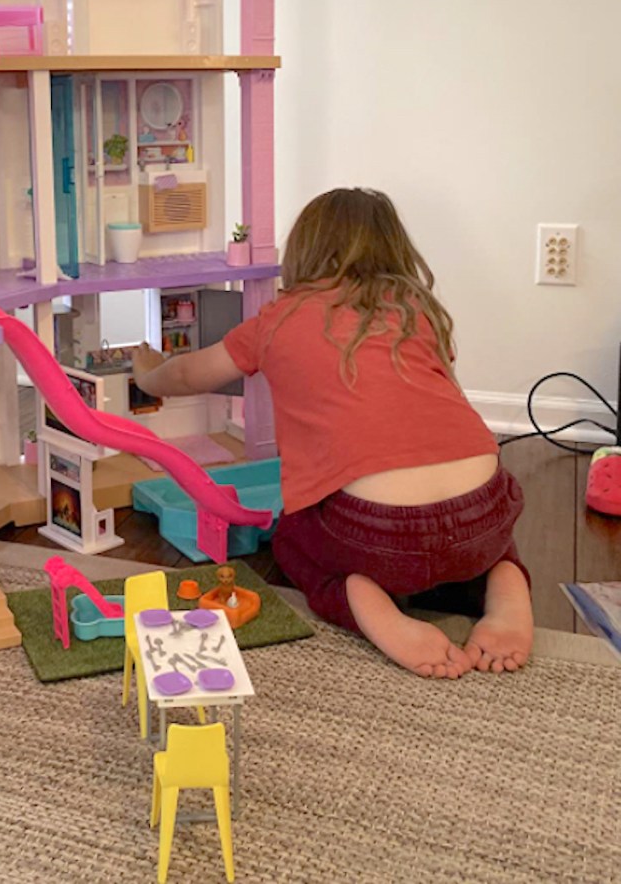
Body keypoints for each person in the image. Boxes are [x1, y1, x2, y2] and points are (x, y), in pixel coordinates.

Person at [131, 188, 533, 679]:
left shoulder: (278, 318)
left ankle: (366, 601)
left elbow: (190, 374)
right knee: (491, 534)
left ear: (304, 252)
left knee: (293, 540)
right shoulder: (415, 307)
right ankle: (506, 585)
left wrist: (147, 373)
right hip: (480, 515)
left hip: (376, 534)